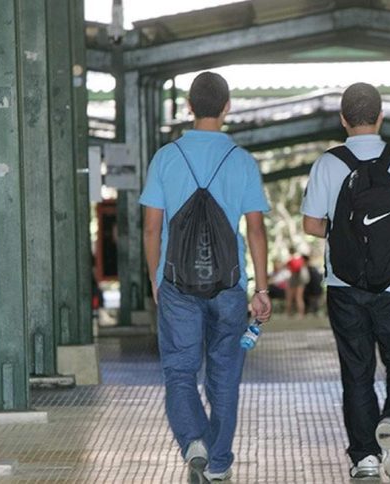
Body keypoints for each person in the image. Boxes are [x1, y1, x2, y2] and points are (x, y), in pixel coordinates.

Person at [140, 71, 272, 483]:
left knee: (180, 372)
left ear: (189, 108)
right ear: (228, 107)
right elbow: (255, 229)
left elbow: (150, 228)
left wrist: (155, 278)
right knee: (225, 375)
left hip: (177, 284)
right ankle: (218, 462)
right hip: (229, 285)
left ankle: (194, 440)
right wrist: (262, 288)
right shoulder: (241, 160)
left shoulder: (166, 157)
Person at [302, 82, 390, 481]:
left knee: (356, 371)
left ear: (343, 119)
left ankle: (365, 457)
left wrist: (347, 236)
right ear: (381, 116)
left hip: (345, 286)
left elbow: (310, 224)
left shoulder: (328, 162)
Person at [285, 247, 308, 317]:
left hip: (294, 278)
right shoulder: (301, 259)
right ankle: (301, 314)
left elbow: (288, 268)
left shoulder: (290, 260)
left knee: (290, 297)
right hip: (300, 279)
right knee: (299, 297)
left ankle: (288, 313)